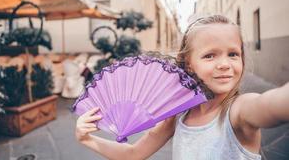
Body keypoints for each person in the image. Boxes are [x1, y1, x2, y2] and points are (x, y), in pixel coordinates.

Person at [75, 14, 289, 160]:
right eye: (209, 55)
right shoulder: (179, 114)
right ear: (189, 64)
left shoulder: (239, 111)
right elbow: (133, 153)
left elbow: (271, 104)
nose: (224, 64)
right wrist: (86, 138)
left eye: (233, 54)